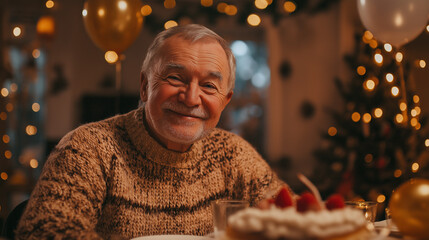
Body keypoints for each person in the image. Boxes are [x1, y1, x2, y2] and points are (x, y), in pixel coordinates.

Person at [16, 24, 283, 239]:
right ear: (145, 86)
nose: (191, 98)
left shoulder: (234, 154)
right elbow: (45, 229)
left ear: (225, 101)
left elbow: (289, 217)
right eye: (175, 78)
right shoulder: (88, 148)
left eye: (209, 86)